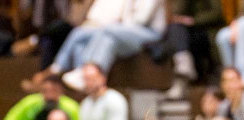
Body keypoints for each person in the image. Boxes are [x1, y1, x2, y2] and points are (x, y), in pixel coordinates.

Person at [31, 0, 167, 90]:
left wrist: (114, 25)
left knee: (104, 29)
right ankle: (88, 75)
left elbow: (140, 20)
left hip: (150, 34)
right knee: (93, 39)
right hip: (125, 33)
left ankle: (77, 69)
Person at [159, 0, 226, 97]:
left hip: (208, 30)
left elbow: (217, 13)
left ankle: (183, 72)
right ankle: (183, 70)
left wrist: (194, 21)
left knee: (177, 33)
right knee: (175, 28)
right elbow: (177, 12)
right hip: (190, 32)